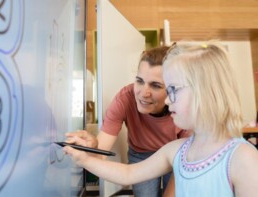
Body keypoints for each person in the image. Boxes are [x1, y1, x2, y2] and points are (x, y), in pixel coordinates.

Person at [64, 42, 258, 196]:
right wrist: (84, 158)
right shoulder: (177, 150)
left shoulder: (244, 159)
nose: (167, 99)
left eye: (172, 89)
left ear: (204, 92)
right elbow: (127, 174)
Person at [66, 46, 189, 197]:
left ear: (172, 88)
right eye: (140, 81)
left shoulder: (183, 110)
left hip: (176, 156)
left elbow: (183, 163)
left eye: (156, 85)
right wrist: (91, 148)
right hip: (141, 153)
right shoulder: (125, 98)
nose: (144, 93)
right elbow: (102, 156)